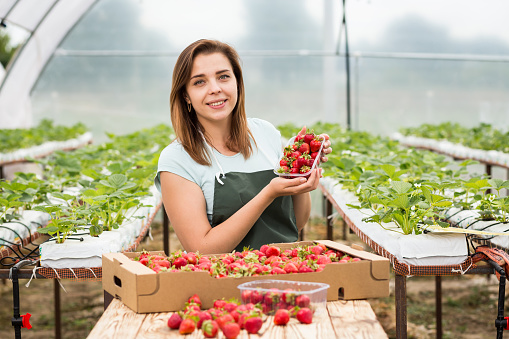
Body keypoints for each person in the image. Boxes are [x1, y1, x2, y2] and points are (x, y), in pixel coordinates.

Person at [155, 39, 332, 254]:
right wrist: (268, 194)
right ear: (186, 95)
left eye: (223, 76)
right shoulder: (177, 160)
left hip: (285, 270)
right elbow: (201, 250)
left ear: (237, 82)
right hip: (223, 279)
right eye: (199, 82)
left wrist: (299, 175)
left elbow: (296, 223)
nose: (215, 89)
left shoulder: (265, 133)